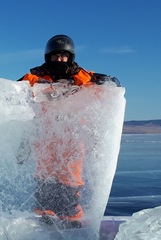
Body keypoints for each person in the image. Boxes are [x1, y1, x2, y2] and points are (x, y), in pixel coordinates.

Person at [18, 34, 120, 228]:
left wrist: (108, 81)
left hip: (71, 137)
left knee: (70, 178)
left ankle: (70, 218)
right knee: (44, 175)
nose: (59, 60)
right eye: (56, 56)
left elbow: (104, 83)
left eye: (63, 57)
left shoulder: (81, 77)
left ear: (70, 57)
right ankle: (45, 214)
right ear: (48, 57)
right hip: (45, 135)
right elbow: (15, 90)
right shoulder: (35, 77)